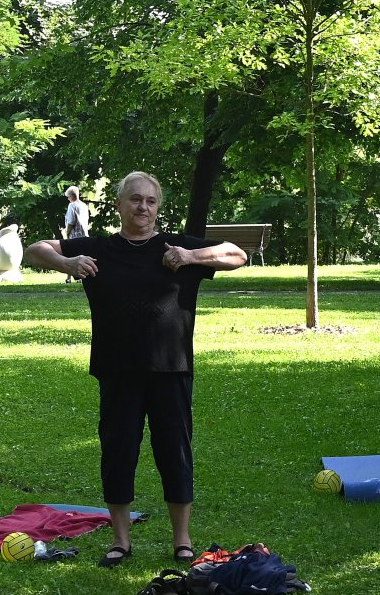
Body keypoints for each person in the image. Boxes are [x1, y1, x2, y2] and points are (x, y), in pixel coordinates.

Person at [21, 171, 247, 566]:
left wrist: (190, 257)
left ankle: (182, 540)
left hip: (170, 369)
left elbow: (237, 254)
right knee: (118, 452)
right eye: (135, 200)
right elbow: (35, 249)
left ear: (158, 207)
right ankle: (121, 540)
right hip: (117, 369)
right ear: (120, 204)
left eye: (151, 201)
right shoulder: (99, 250)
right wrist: (67, 262)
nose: (143, 207)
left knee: (174, 452)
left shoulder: (178, 248)